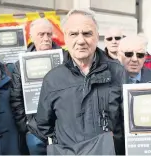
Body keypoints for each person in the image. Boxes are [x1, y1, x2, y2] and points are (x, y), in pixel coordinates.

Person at [33, 9, 126, 155]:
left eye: (87, 33)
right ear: (65, 37)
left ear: (97, 36)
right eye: (74, 34)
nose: (81, 40)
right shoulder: (52, 79)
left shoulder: (118, 73)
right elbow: (44, 125)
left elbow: (127, 121)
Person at [10, 18, 62, 155]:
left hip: (63, 127)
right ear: (31, 37)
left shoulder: (66, 59)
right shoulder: (20, 64)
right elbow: (16, 98)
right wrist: (27, 126)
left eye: (49, 34)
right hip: (34, 130)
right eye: (41, 34)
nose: (46, 38)